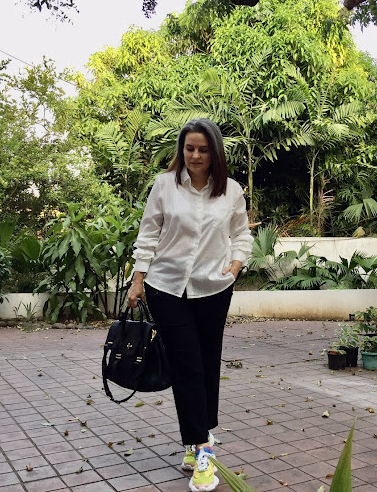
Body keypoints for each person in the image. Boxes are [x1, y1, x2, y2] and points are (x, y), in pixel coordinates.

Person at [127, 118, 253, 492]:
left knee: (207, 364)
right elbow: (149, 232)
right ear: (181, 150)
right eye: (189, 148)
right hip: (166, 287)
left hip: (214, 288)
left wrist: (236, 265)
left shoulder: (231, 190)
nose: (195, 155)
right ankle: (202, 451)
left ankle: (195, 437)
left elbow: (241, 234)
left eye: (203, 149)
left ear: (215, 152)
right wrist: (138, 279)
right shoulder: (164, 185)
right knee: (187, 366)